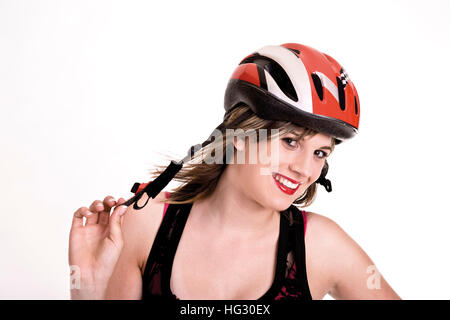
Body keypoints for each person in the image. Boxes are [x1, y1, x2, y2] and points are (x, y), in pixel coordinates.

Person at [69, 43, 401, 300]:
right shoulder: (145, 226)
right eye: (289, 141)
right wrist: (88, 292)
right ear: (241, 136)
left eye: (319, 153)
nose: (304, 169)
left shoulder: (322, 246)